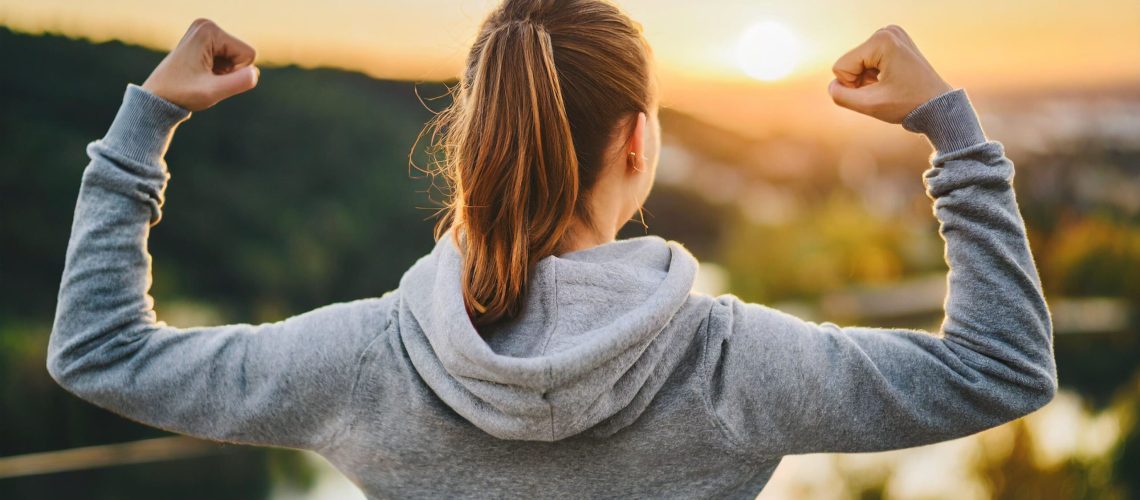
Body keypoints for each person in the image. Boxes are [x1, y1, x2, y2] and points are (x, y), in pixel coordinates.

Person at [46, 0, 1057, 498]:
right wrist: (950, 132)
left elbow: (99, 352)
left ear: (478, 144)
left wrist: (147, 123)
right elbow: (1002, 368)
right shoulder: (729, 364)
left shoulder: (364, 361)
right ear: (637, 141)